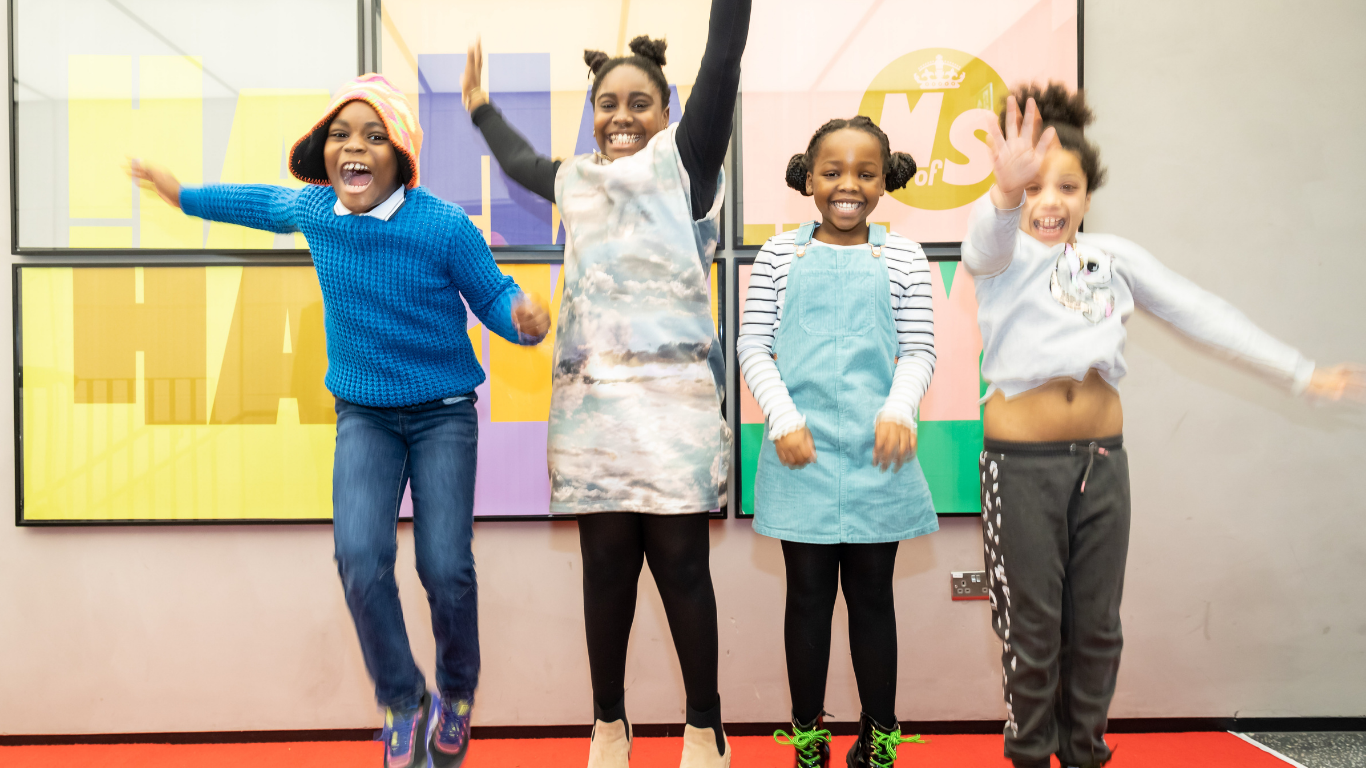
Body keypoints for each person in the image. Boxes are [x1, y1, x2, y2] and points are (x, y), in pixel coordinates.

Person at [130, 73, 551, 768]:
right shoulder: (319, 211)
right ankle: (402, 700)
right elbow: (255, 202)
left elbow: (497, 295)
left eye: (373, 135)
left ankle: (457, 691)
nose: (354, 147)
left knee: (444, 567)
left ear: (401, 158)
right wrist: (181, 195)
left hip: (443, 412)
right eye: (339, 135)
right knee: (360, 561)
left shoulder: (442, 225)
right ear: (323, 154)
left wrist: (524, 322)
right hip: (365, 416)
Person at [965, 83, 1366, 768]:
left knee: (1096, 630)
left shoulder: (1113, 259)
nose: (1050, 201)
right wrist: (1005, 195)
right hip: (1020, 468)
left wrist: (1301, 372)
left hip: (1101, 463)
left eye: (1068, 186)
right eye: (1034, 188)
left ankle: (1085, 753)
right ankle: (1031, 755)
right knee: (1033, 631)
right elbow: (984, 242)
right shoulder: (1001, 257)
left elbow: (1201, 314)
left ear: (1090, 195)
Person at [460, 3, 749, 767]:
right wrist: (481, 110)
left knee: (683, 567)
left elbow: (721, 63)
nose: (621, 117)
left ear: (669, 112)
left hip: (675, 412)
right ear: (593, 116)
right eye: (607, 104)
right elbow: (523, 164)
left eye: (639, 103)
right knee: (606, 572)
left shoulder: (685, 165)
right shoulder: (577, 181)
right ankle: (609, 728)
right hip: (592, 414)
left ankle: (703, 729)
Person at [739, 116, 936, 768]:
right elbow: (753, 345)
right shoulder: (777, 254)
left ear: (885, 180)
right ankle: (808, 740)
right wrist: (784, 419)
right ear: (808, 178)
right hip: (802, 452)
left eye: (864, 172)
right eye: (832, 172)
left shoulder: (902, 255)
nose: (847, 186)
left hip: (880, 455)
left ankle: (879, 741)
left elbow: (918, 350)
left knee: (874, 598)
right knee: (807, 597)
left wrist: (899, 408)